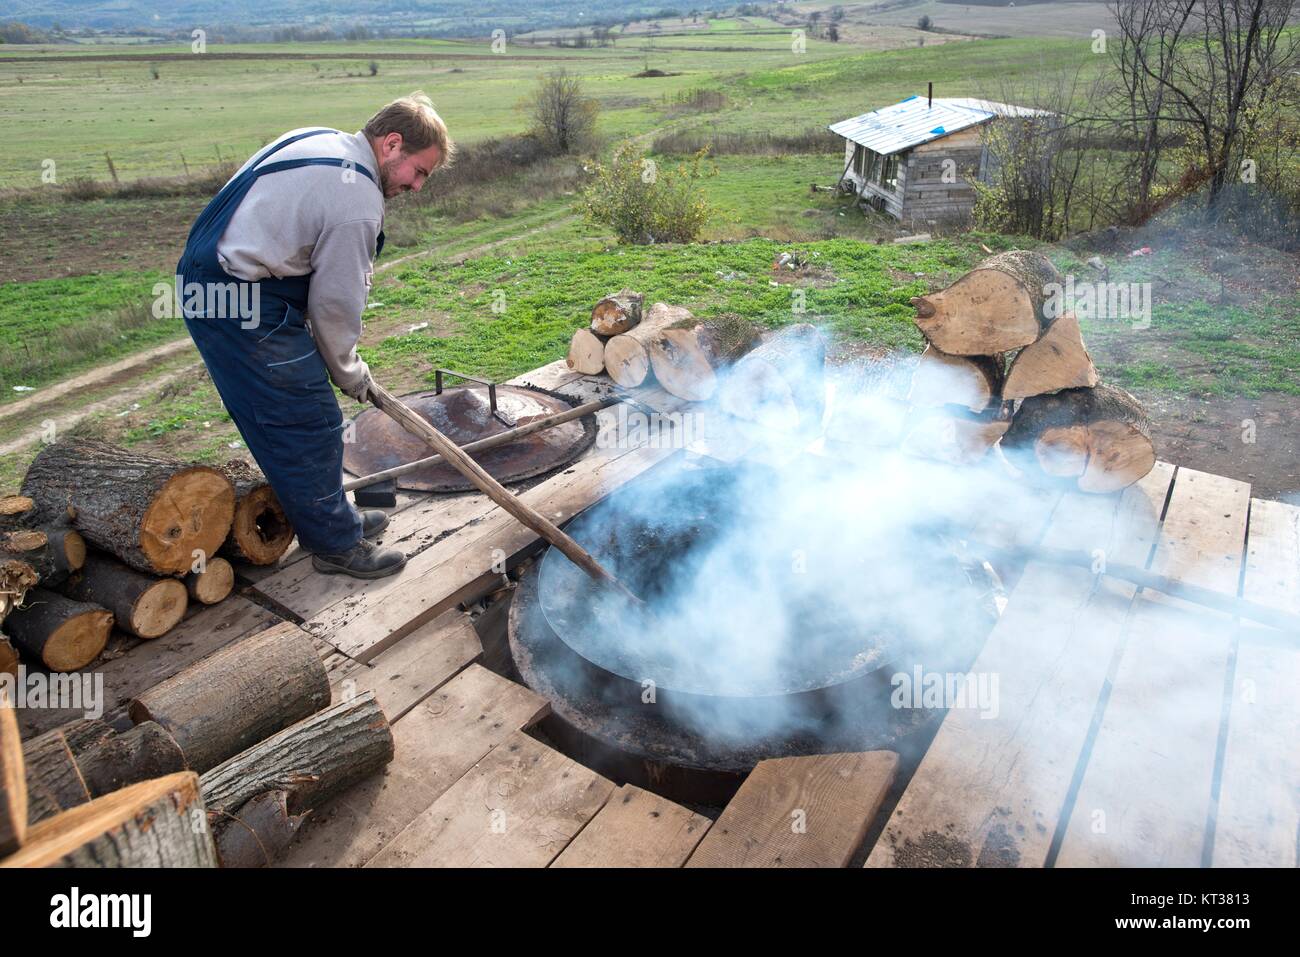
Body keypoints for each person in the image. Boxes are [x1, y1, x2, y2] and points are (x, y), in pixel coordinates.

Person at [176, 93, 453, 579]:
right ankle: (335, 546)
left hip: (225, 281)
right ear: (391, 144)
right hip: (238, 296)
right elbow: (335, 304)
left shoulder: (321, 139)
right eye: (420, 172)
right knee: (307, 419)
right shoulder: (358, 199)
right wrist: (350, 373)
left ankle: (328, 520)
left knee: (288, 415)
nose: (417, 187)